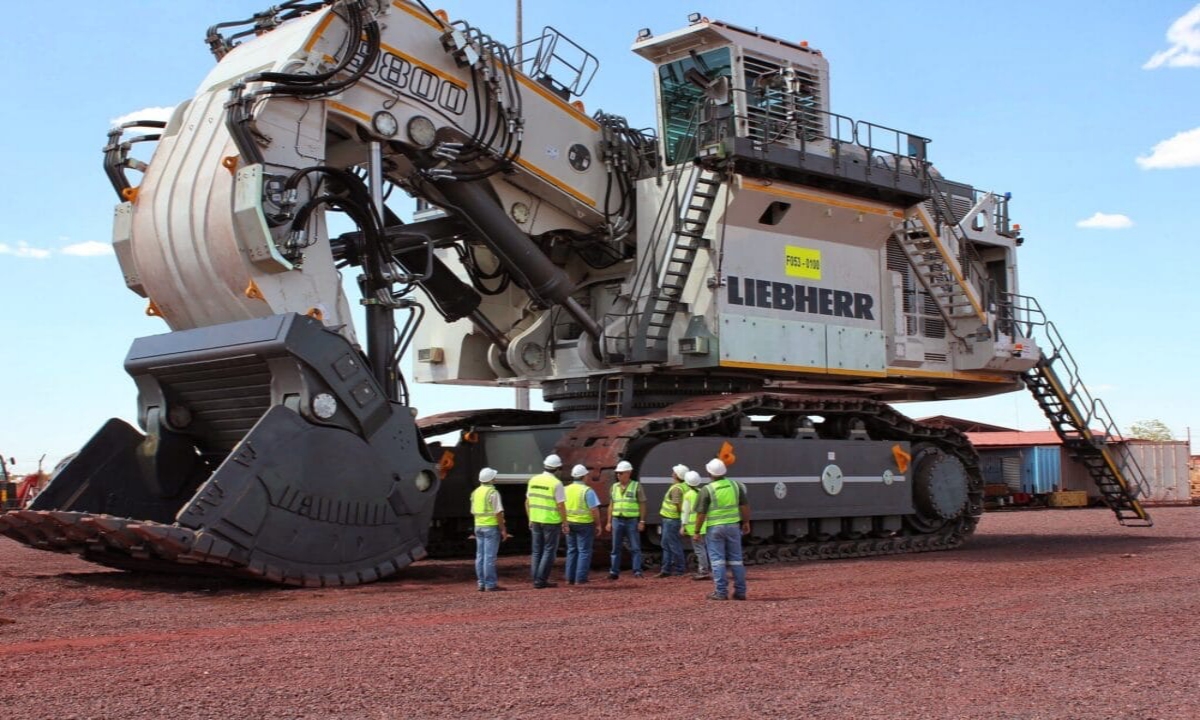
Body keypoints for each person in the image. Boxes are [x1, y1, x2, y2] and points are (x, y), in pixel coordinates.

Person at [692, 458, 750, 601]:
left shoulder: (707, 489)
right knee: (736, 560)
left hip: (715, 528)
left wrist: (697, 531)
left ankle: (721, 592)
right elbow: (745, 506)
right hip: (733, 526)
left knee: (717, 560)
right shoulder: (735, 486)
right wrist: (746, 522)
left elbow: (701, 514)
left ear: (709, 472)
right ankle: (740, 592)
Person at [526, 453, 569, 589]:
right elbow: (560, 505)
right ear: (557, 469)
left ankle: (536, 579)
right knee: (549, 551)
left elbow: (527, 502)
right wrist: (565, 522)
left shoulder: (533, 480)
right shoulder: (556, 483)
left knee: (537, 551)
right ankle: (541, 580)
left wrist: (530, 518)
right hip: (551, 521)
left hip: (536, 519)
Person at [606, 459, 646, 580]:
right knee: (615, 547)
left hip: (631, 520)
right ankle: (614, 572)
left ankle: (637, 571)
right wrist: (608, 522)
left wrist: (642, 521)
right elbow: (611, 505)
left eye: (620, 473)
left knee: (635, 547)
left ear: (628, 473)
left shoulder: (636, 486)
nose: (618, 475)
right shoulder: (614, 487)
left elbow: (642, 504)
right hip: (617, 519)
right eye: (617, 473)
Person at [470, 467, 508, 592]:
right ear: (491, 479)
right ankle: (490, 584)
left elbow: (473, 511)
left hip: (478, 526)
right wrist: (503, 529)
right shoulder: (493, 493)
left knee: (480, 556)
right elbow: (498, 513)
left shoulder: (475, 492)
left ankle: (481, 583)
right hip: (490, 527)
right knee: (489, 557)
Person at [564, 464, 602, 585]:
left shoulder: (566, 489)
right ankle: (580, 578)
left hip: (569, 523)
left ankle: (569, 578)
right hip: (584, 524)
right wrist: (598, 524)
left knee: (572, 550)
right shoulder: (587, 491)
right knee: (584, 551)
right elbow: (594, 510)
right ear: (583, 477)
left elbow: (560, 507)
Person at [655, 464, 689, 577]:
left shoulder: (676, 489)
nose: (672, 474)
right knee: (667, 544)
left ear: (677, 475)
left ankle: (679, 569)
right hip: (671, 519)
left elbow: (678, 505)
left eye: (674, 472)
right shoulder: (683, 486)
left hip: (671, 519)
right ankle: (666, 569)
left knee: (673, 545)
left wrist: (681, 518)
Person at [679, 470, 711, 581]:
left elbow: (685, 512)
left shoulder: (688, 495)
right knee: (705, 548)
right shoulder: (702, 491)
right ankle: (706, 569)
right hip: (705, 525)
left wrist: (683, 526)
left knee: (699, 550)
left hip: (695, 527)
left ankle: (703, 571)